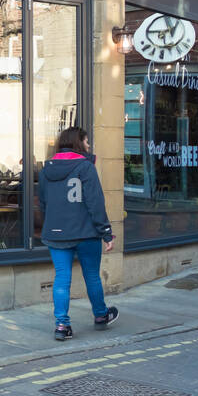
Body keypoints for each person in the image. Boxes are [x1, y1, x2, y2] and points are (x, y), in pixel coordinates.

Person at [37, 126, 118, 341]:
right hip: (86, 233)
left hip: (56, 234)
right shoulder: (85, 167)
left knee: (61, 278)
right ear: (78, 143)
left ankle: (62, 325)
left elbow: (43, 203)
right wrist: (106, 232)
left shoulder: (46, 170)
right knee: (91, 276)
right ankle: (101, 316)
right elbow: (95, 203)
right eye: (87, 141)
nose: (89, 145)